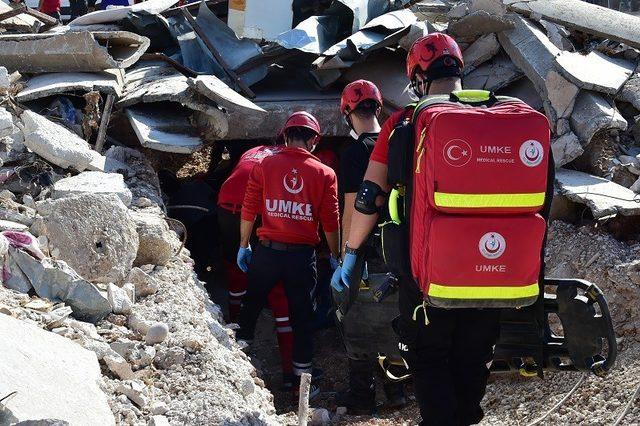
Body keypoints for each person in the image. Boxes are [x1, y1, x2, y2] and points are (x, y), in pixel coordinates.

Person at [333, 33, 532, 425]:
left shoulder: (405, 121)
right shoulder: (503, 114)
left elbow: (369, 196)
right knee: (474, 355)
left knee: (429, 357)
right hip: (496, 270)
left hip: (428, 272)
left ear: (418, 78)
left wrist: (351, 254)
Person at [236, 111, 340, 399]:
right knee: (302, 320)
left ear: (285, 136)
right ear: (314, 141)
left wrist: (244, 244)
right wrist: (336, 255)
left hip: (266, 254)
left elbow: (250, 207)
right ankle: (301, 385)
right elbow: (331, 221)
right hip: (300, 259)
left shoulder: (265, 164)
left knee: (251, 307)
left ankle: (236, 370)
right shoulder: (325, 174)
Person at [333, 79, 406, 414]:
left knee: (356, 320)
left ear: (348, 113)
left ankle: (362, 395)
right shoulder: (400, 141)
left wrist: (344, 255)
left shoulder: (354, 154)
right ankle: (397, 392)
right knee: (392, 319)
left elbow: (353, 207)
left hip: (367, 250)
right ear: (378, 107)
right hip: (400, 249)